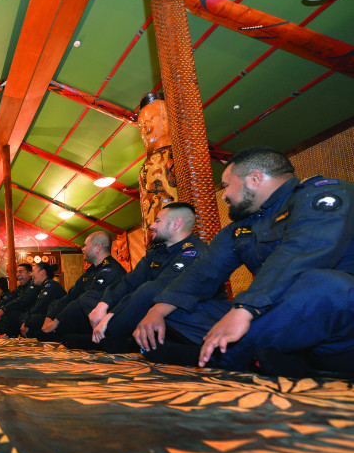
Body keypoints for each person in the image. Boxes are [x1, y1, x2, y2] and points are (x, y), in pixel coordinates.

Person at [133, 146, 354, 377]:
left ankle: (224, 360)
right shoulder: (240, 228)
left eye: (227, 185)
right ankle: (265, 358)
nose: (224, 195)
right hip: (273, 317)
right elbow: (202, 273)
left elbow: (301, 252)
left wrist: (245, 309)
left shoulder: (323, 194)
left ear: (255, 178)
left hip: (334, 318)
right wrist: (157, 310)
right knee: (177, 310)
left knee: (326, 285)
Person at [89, 202, 212, 351]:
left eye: (158, 221)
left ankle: (107, 336)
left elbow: (159, 288)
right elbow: (129, 282)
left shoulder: (195, 252)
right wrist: (104, 305)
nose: (152, 226)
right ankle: (110, 338)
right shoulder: (156, 253)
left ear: (176, 224)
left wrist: (110, 317)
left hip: (190, 318)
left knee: (149, 291)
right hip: (154, 317)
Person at [40, 231, 127, 341]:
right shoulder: (91, 271)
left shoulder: (111, 270)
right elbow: (71, 295)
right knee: (56, 304)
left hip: (106, 322)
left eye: (86, 245)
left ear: (98, 248)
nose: (83, 248)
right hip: (85, 319)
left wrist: (56, 322)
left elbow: (88, 298)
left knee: (78, 304)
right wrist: (50, 318)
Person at [0, 264, 39, 337]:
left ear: (29, 273)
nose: (18, 274)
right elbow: (9, 299)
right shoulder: (20, 288)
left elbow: (22, 300)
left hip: (28, 318)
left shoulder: (33, 286)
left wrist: (4, 309)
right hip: (19, 319)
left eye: (21, 271)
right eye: (17, 272)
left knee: (10, 312)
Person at [20, 263, 67, 338]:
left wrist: (26, 322)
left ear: (42, 272)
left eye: (33, 271)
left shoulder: (51, 285)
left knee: (33, 319)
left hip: (59, 322)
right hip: (50, 319)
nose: (31, 274)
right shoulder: (42, 287)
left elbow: (40, 306)